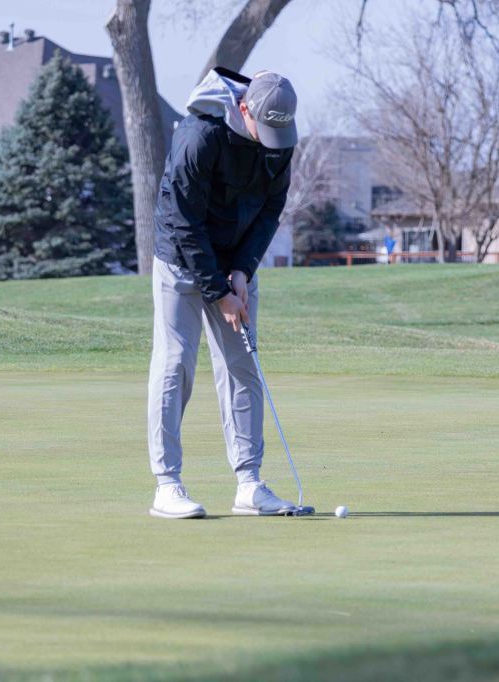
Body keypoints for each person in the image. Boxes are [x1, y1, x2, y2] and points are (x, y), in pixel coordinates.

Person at [146, 67, 298, 518]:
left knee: (242, 365)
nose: (270, 139)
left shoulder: (280, 140)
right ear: (245, 108)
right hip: (180, 256)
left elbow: (272, 209)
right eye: (263, 128)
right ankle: (166, 485)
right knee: (175, 364)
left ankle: (250, 485)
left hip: (232, 261)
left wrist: (242, 270)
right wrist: (217, 289)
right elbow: (182, 220)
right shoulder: (199, 135)